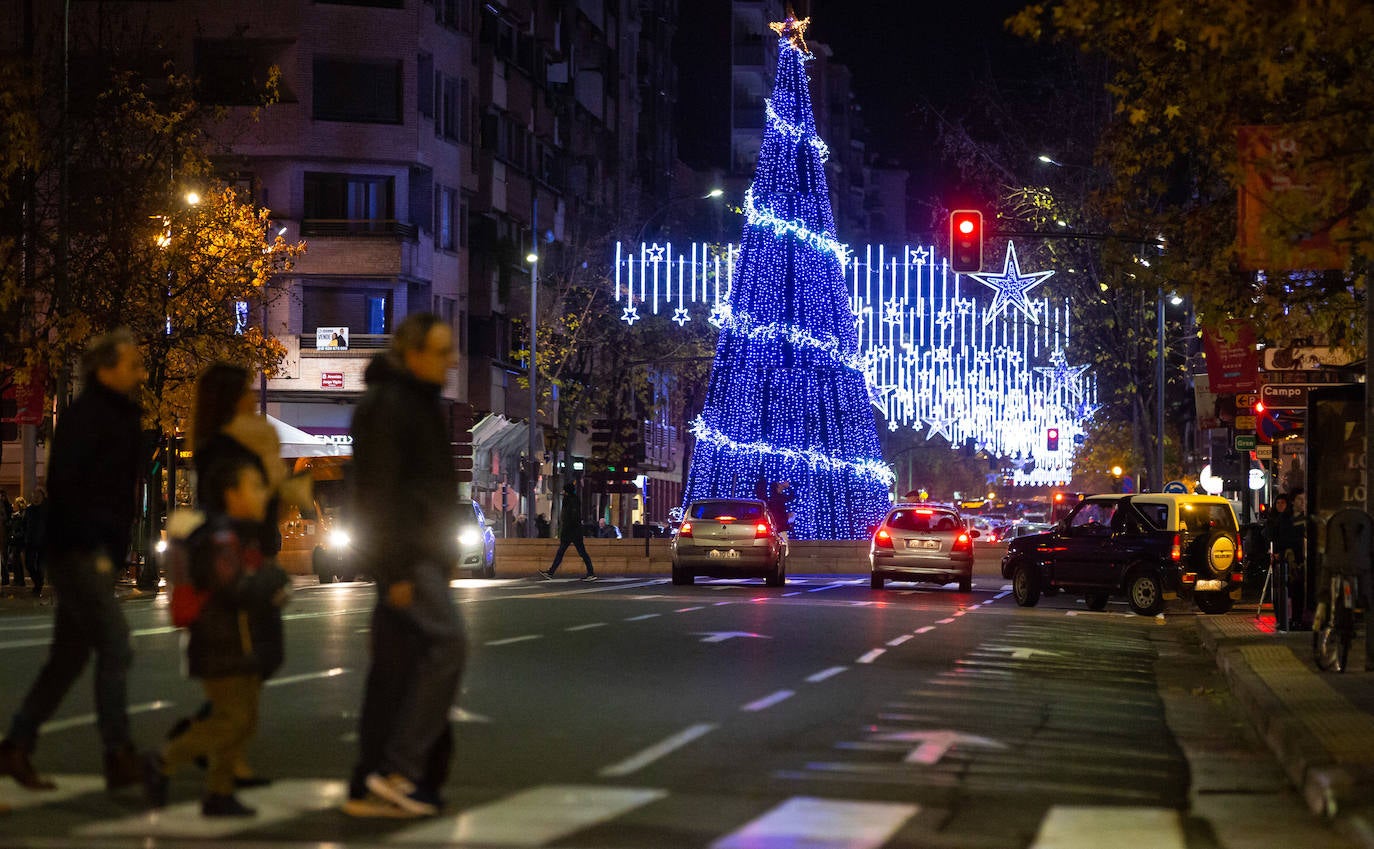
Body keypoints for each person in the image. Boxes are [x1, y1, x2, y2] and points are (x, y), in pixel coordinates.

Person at [0, 328, 146, 792]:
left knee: (67, 658)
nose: (140, 372)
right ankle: (118, 753)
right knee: (116, 645)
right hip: (83, 551)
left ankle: (16, 746)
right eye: (132, 364)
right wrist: (99, 550)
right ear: (106, 368)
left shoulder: (114, 415)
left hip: (83, 548)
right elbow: (75, 489)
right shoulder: (91, 417)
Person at [344, 313, 466, 818]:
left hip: (421, 554)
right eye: (441, 351)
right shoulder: (391, 406)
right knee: (448, 643)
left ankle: (380, 782)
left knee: (399, 668)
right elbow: (378, 494)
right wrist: (393, 570)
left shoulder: (416, 402)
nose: (453, 359)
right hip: (409, 557)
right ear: (413, 353)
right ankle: (399, 771)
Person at [144, 452, 287, 817]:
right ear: (230, 492)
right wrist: (273, 581)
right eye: (252, 486)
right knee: (233, 719)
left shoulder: (238, 530)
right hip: (219, 642)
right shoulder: (218, 534)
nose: (260, 493)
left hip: (239, 640)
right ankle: (163, 761)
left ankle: (219, 792)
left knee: (243, 719)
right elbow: (233, 586)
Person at [538, 482, 596, 580]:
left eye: (564, 490)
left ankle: (551, 572)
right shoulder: (573, 500)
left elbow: (571, 517)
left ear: (567, 491)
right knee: (578, 553)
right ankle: (590, 573)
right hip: (574, 532)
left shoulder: (571, 501)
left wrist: (565, 529)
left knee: (566, 552)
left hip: (571, 532)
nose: (563, 492)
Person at [23, 489, 47, 599]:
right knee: (28, 563)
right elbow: (24, 525)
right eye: (34, 496)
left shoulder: (47, 510)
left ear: (42, 497)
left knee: (40, 564)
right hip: (30, 541)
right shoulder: (28, 510)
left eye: (38, 496)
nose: (36, 498)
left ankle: (38, 586)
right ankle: (38, 582)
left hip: (43, 541)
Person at [4, 497, 26, 588]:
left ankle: (19, 580)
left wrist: (15, 534)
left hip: (18, 540)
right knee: (15, 560)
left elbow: (21, 528)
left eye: (16, 504)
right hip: (15, 540)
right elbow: (9, 524)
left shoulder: (22, 515)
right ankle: (19, 580)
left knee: (16, 560)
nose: (14, 505)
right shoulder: (16, 515)